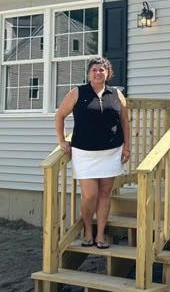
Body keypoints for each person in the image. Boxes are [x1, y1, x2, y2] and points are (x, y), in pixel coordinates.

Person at [55, 56, 131, 249]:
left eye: (102, 70)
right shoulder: (77, 92)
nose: (98, 73)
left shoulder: (116, 94)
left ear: (108, 73)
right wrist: (62, 140)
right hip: (84, 153)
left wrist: (127, 146)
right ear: (89, 74)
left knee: (105, 194)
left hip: (111, 151)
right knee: (90, 195)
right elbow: (60, 115)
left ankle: (100, 235)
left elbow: (124, 122)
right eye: (94, 70)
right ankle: (88, 231)